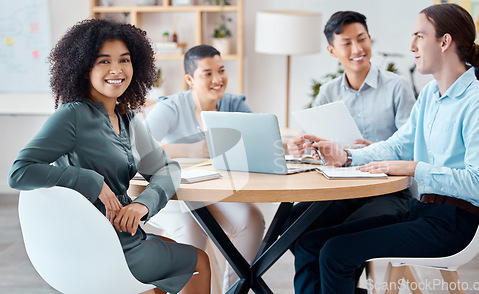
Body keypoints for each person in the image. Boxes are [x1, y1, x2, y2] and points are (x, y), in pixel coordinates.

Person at [293, 3, 479, 293]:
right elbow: (397, 145)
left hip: (454, 224)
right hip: (423, 210)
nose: (412, 46)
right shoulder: (430, 94)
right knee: (311, 241)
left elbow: (478, 184)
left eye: (419, 36)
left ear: (444, 41)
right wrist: (346, 156)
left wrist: (414, 168)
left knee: (336, 252)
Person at [8, 19, 210, 294]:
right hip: (98, 243)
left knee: (171, 256)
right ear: (83, 67)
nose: (116, 70)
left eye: (124, 60)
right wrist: (88, 179)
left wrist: (143, 205)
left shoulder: (126, 118)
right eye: (104, 61)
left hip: (122, 235)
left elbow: (167, 169)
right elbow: (19, 172)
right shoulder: (72, 115)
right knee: (198, 262)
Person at [286, 11, 415, 254]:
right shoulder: (328, 92)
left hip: (387, 190)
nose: (357, 49)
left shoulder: (398, 87)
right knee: (292, 223)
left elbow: (413, 149)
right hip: (340, 189)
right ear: (332, 51)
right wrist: (302, 146)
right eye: (346, 43)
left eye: (362, 38)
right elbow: (312, 144)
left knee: (343, 233)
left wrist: (375, 150)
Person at [143, 45, 265, 292]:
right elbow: (139, 148)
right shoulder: (172, 107)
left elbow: (261, 138)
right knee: (192, 233)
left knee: (252, 219)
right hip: (175, 196)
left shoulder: (234, 104)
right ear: (189, 79)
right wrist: (189, 151)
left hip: (215, 193)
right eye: (207, 73)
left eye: (221, 70)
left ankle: (235, 289)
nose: (217, 79)